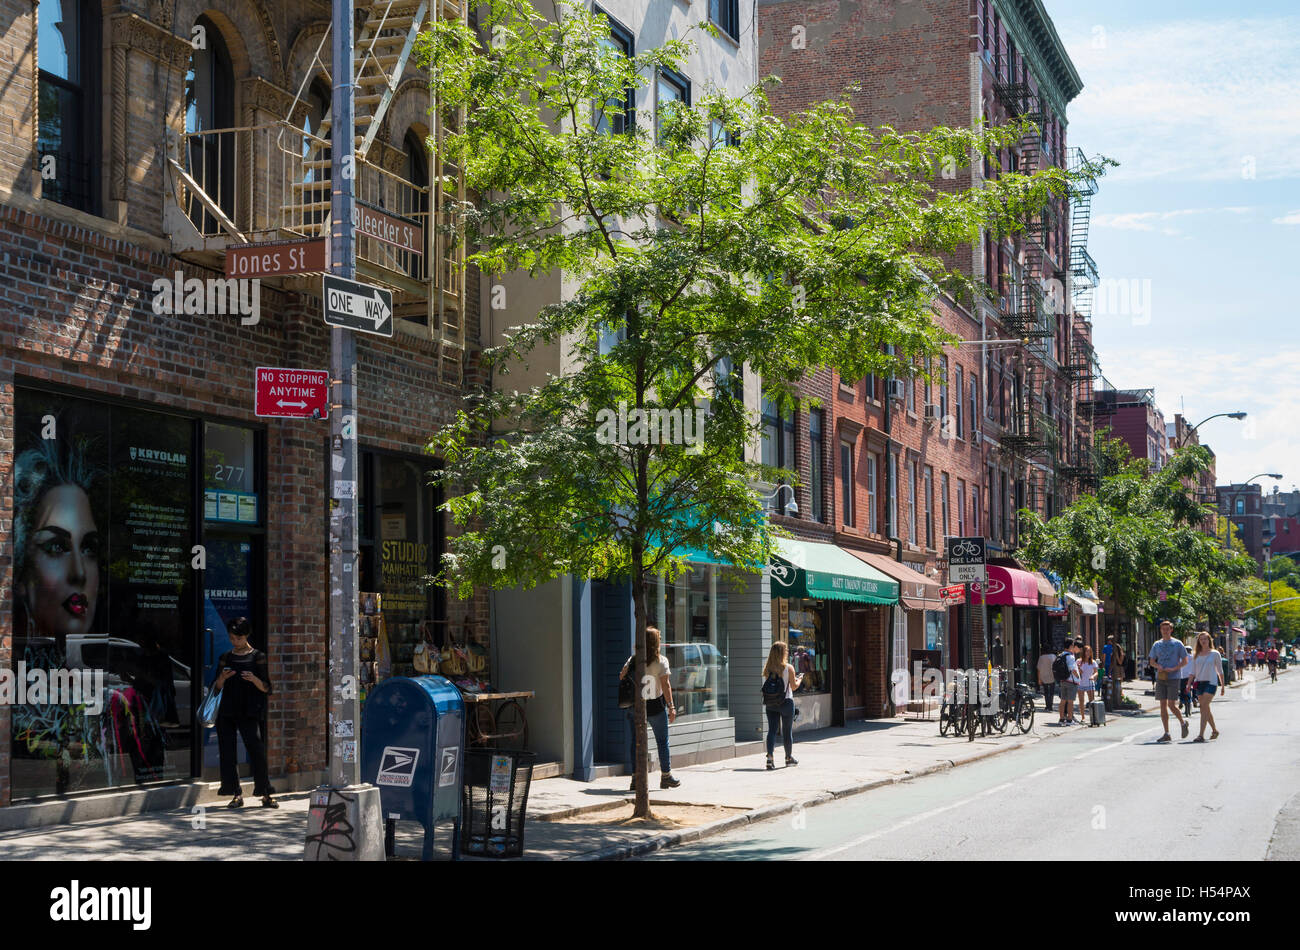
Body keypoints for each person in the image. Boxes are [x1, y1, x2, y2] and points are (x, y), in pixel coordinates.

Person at [213, 617, 277, 808]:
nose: (235, 642)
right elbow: (216, 687)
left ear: (246, 636)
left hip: (249, 710)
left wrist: (253, 679)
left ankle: (266, 793)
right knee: (227, 752)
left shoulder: (258, 657)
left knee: (256, 750)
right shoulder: (225, 657)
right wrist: (222, 678)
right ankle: (235, 793)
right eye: (232, 638)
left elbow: (267, 687)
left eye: (238, 638)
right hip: (227, 710)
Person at [621, 626, 680, 791]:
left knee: (636, 742)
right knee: (662, 741)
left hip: (636, 705)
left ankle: (635, 778)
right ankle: (666, 776)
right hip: (655, 705)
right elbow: (665, 685)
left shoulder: (634, 659)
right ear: (656, 642)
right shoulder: (661, 661)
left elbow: (621, 675)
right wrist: (671, 706)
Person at [762, 641, 803, 769]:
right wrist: (799, 679)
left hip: (771, 703)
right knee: (787, 732)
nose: (787, 653)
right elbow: (794, 687)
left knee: (772, 731)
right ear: (782, 653)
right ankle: (788, 758)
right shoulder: (788, 668)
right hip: (786, 702)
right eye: (785, 651)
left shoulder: (768, 668)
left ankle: (770, 758)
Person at [1148, 621, 1190, 743]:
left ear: (1171, 630)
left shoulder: (1177, 644)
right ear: (1160, 630)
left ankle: (1183, 723)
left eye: (1167, 629)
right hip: (1161, 677)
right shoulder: (1157, 644)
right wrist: (1158, 666)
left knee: (1171, 704)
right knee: (1162, 705)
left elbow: (1185, 661)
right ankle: (1167, 733)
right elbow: (1151, 661)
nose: (1165, 631)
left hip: (1174, 677)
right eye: (1163, 629)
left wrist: (1174, 668)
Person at [1190, 631, 1225, 742]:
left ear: (1209, 640)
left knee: (1203, 707)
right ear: (1199, 641)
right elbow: (1193, 671)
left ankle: (1201, 735)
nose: (1203, 641)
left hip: (1211, 683)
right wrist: (1188, 683)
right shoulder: (1195, 654)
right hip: (1199, 683)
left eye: (1205, 639)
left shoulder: (1215, 654)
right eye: (1201, 639)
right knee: (1205, 708)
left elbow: (1220, 671)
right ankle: (1214, 730)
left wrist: (1223, 686)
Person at [1056, 638, 1080, 725]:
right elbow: (1072, 668)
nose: (1074, 647)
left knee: (1063, 701)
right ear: (1070, 646)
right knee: (1070, 701)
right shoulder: (1070, 656)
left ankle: (1061, 719)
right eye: (1073, 645)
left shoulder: (1061, 655)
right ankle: (1070, 719)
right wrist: (1077, 676)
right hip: (1071, 681)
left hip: (1063, 680)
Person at [1076, 644, 1098, 715]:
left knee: (1091, 701)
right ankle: (1083, 717)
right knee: (1081, 701)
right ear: (1084, 652)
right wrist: (1078, 668)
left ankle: (1093, 717)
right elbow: (1079, 673)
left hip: (1090, 683)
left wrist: (1093, 676)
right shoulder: (1079, 661)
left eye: (1089, 652)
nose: (1088, 653)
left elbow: (1096, 672)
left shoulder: (1093, 662)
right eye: (1087, 651)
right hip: (1081, 684)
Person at [1036, 645, 1057, 712]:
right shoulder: (1053, 656)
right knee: (1051, 692)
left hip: (1044, 676)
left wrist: (1039, 679)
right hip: (1052, 676)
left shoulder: (1041, 657)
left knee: (1046, 692)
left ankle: (1047, 706)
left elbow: (1038, 669)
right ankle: (1050, 705)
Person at [1177, 640, 1194, 720]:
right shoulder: (1193, 657)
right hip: (1192, 677)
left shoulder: (1181, 658)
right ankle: (1194, 699)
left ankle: (1181, 701)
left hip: (1182, 677)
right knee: (1193, 688)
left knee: (1181, 689)